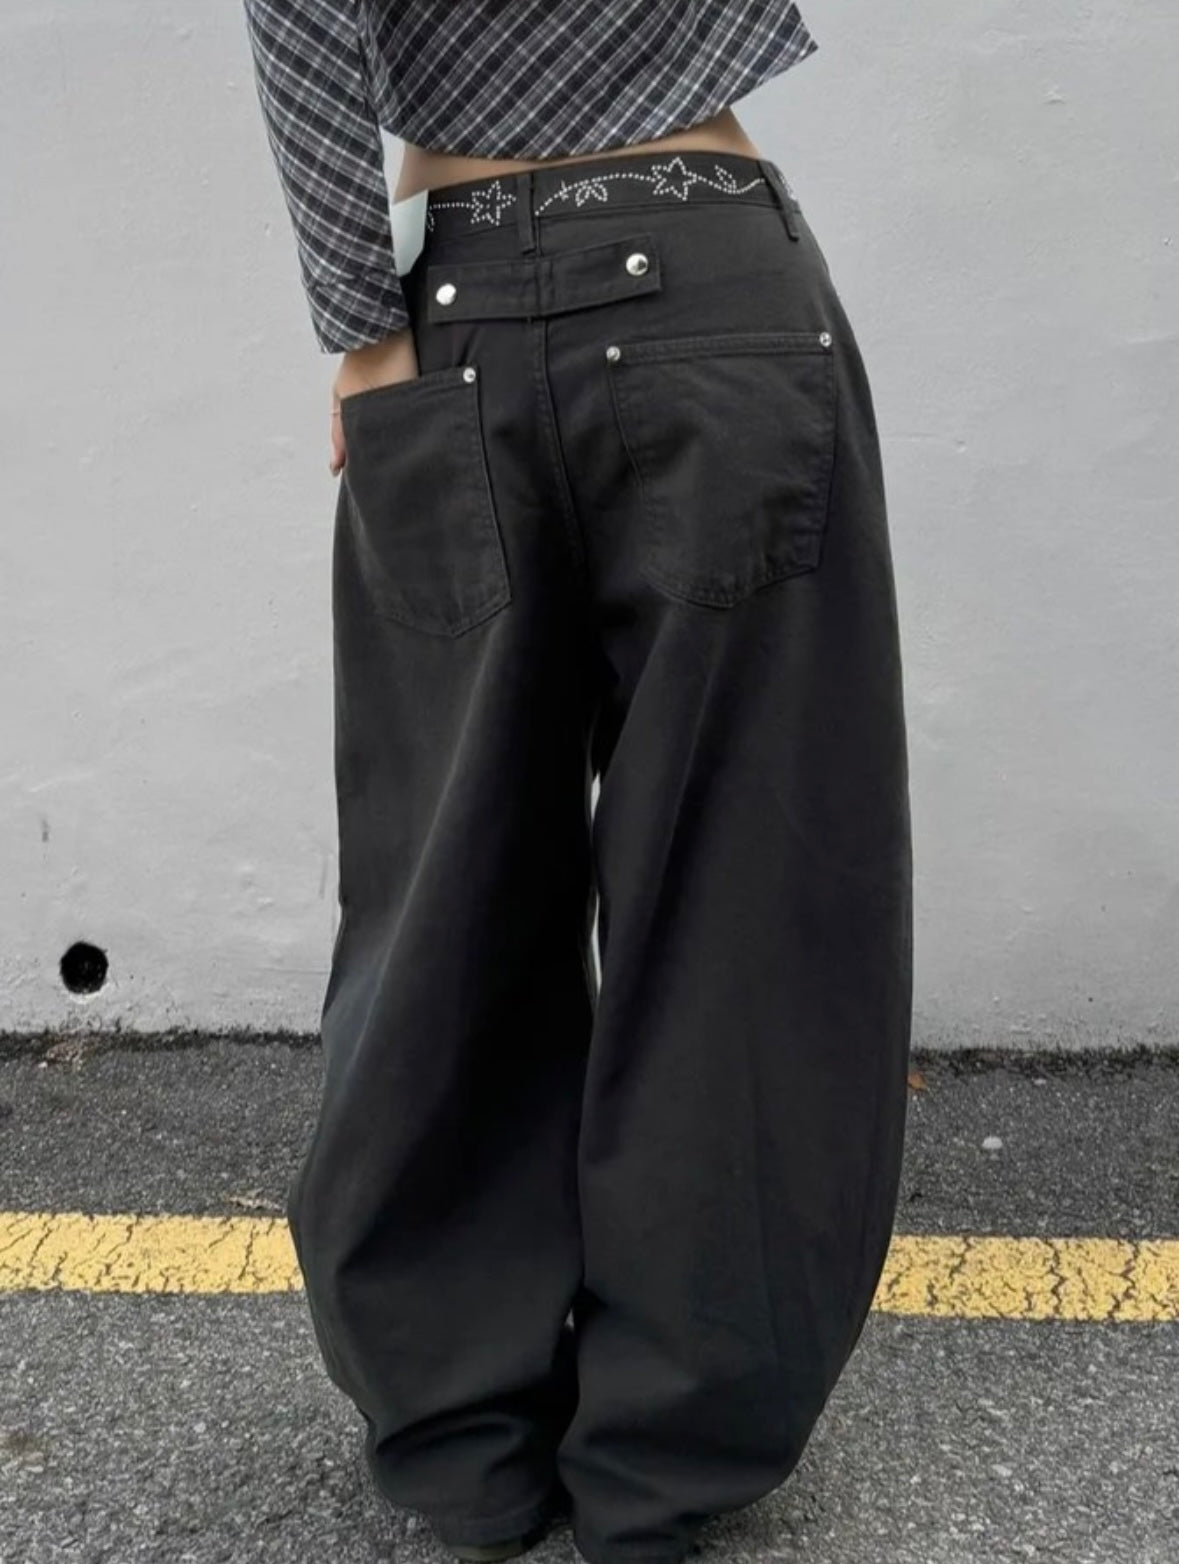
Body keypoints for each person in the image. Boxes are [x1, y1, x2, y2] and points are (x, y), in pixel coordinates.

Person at [239, 6, 914, 1564]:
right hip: (720, 279)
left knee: (447, 886)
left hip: (461, 313)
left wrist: (360, 324)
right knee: (743, 889)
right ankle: (668, 1455)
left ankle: (459, 1432)